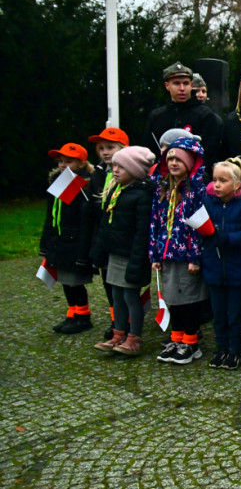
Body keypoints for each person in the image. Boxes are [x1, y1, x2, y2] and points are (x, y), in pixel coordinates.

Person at [149, 137, 210, 365]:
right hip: (166, 254)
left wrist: (195, 257)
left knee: (189, 298)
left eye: (179, 159)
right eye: (170, 158)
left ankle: (191, 342)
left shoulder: (196, 190)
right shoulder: (163, 188)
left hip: (187, 257)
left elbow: (199, 225)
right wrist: (154, 254)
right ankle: (176, 337)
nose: (173, 163)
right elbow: (155, 221)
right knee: (172, 296)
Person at [92, 146, 156, 355]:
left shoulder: (142, 195)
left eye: (121, 166)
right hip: (115, 253)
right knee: (116, 296)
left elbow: (142, 233)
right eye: (114, 166)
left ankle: (134, 337)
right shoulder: (115, 191)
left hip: (131, 256)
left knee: (130, 297)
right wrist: (100, 251)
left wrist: (138, 261)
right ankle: (117, 334)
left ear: (135, 170)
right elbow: (105, 223)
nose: (115, 170)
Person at [201, 158, 241, 369]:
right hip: (214, 265)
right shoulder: (208, 202)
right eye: (215, 180)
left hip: (237, 267)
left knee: (234, 315)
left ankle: (234, 350)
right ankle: (220, 348)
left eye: (222, 181)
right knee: (218, 314)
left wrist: (227, 238)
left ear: (236, 184)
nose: (216, 185)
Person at [41, 143, 95, 334]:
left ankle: (83, 315)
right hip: (59, 238)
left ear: (81, 163)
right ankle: (72, 312)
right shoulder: (59, 179)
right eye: (61, 161)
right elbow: (52, 213)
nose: (63, 165)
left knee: (74, 279)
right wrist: (46, 241)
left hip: (75, 239)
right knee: (64, 278)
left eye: (69, 161)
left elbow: (85, 216)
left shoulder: (85, 183)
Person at [85, 127, 130, 339]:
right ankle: (116, 319)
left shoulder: (132, 173)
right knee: (107, 280)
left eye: (110, 147)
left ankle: (127, 319)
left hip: (121, 236)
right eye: (101, 148)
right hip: (102, 234)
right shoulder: (98, 173)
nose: (105, 152)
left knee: (124, 282)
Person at [146, 62, 224, 169]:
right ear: (167, 86)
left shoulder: (205, 115)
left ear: (191, 85)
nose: (182, 88)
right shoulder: (157, 116)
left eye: (186, 83)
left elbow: (210, 154)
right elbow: (150, 151)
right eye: (176, 83)